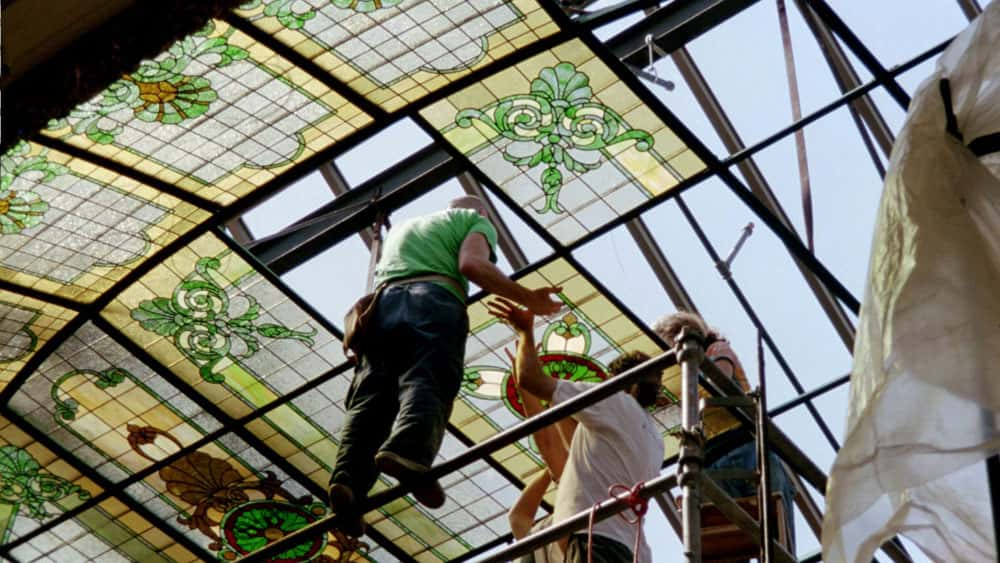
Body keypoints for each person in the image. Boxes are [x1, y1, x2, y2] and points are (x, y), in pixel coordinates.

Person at [328, 196, 562, 537]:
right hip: (433, 301)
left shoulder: (403, 228)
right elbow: (472, 265)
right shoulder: (474, 221)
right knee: (429, 377)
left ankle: (348, 483)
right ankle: (408, 452)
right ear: (480, 212)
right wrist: (529, 299)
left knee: (372, 397)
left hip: (381, 309)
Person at [490, 297, 664, 563]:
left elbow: (532, 379)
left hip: (597, 542)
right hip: (629, 553)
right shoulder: (653, 438)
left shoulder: (613, 401)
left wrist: (526, 332)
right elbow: (559, 445)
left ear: (612, 381)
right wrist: (546, 397)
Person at [653, 312, 795, 552]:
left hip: (744, 448)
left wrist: (673, 400)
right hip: (712, 459)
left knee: (775, 537)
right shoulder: (679, 381)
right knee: (722, 546)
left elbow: (719, 383)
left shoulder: (716, 350)